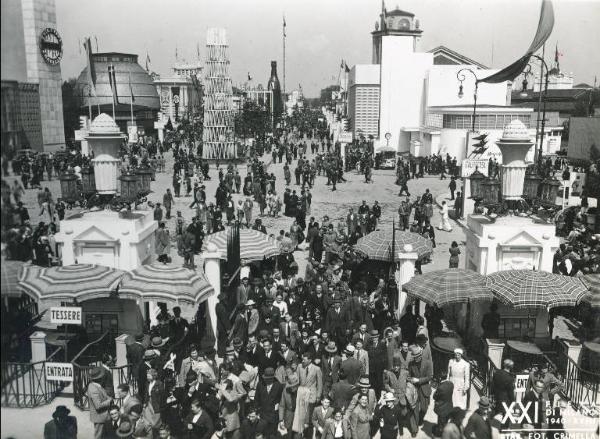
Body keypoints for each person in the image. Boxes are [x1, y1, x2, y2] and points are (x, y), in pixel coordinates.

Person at [87, 366, 113, 439]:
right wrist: (109, 401)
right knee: (99, 436)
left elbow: (104, 395)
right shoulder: (93, 389)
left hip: (103, 416)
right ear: (99, 378)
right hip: (100, 418)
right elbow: (98, 405)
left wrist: (108, 397)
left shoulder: (97, 386)